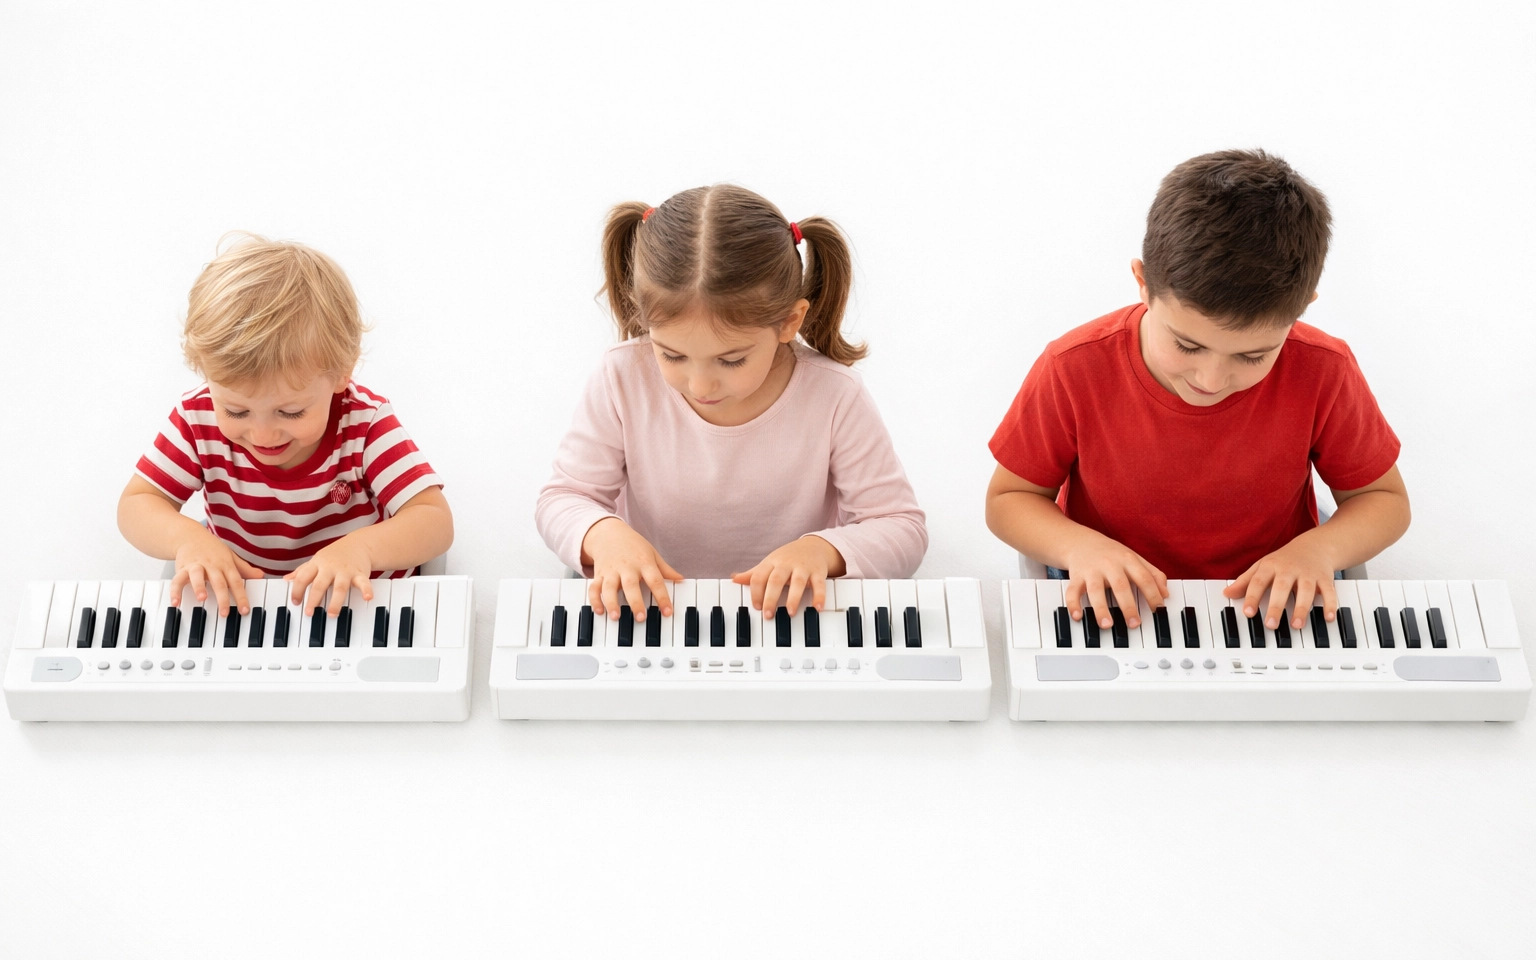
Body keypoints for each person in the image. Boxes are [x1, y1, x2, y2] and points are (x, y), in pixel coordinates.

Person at [985, 150, 1408, 634]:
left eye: (1252, 356)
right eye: (1187, 344)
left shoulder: (1324, 368)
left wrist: (1320, 549)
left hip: (1269, 597)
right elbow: (1009, 498)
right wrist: (1078, 548)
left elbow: (1383, 499)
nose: (1211, 380)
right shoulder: (1072, 366)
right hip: (1113, 592)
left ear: (1301, 310)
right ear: (1143, 284)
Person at [537, 184, 927, 621]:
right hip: (652, 614)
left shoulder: (836, 395)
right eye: (672, 354)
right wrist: (601, 533)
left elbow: (902, 528)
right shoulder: (621, 376)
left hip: (787, 619)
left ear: (789, 322)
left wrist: (823, 551)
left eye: (731, 359)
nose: (699, 383)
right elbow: (563, 498)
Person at [119, 234, 452, 621]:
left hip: (360, 607)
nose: (262, 435)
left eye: (291, 412)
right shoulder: (197, 417)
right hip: (246, 610)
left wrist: (360, 550)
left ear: (341, 372)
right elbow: (136, 503)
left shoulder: (365, 423)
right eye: (237, 411)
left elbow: (434, 520)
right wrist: (187, 539)